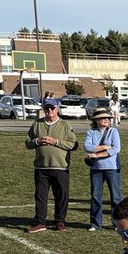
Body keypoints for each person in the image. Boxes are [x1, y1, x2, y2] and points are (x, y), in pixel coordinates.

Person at [25, 98, 78, 233]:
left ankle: (60, 221)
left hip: (60, 167)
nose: (49, 110)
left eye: (52, 108)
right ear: (44, 109)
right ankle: (40, 222)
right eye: (47, 108)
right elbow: (28, 142)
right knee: (40, 196)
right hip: (41, 167)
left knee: (61, 195)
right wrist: (37, 141)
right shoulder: (37, 124)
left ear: (57, 109)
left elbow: (73, 145)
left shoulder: (65, 125)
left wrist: (56, 142)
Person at [84, 107, 122, 230]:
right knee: (95, 196)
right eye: (102, 118)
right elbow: (87, 147)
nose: (106, 120)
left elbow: (116, 148)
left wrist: (97, 154)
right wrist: (105, 147)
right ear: (96, 120)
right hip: (96, 169)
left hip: (112, 168)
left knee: (116, 197)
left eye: (107, 118)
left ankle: (117, 223)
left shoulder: (113, 131)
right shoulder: (91, 132)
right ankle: (95, 224)